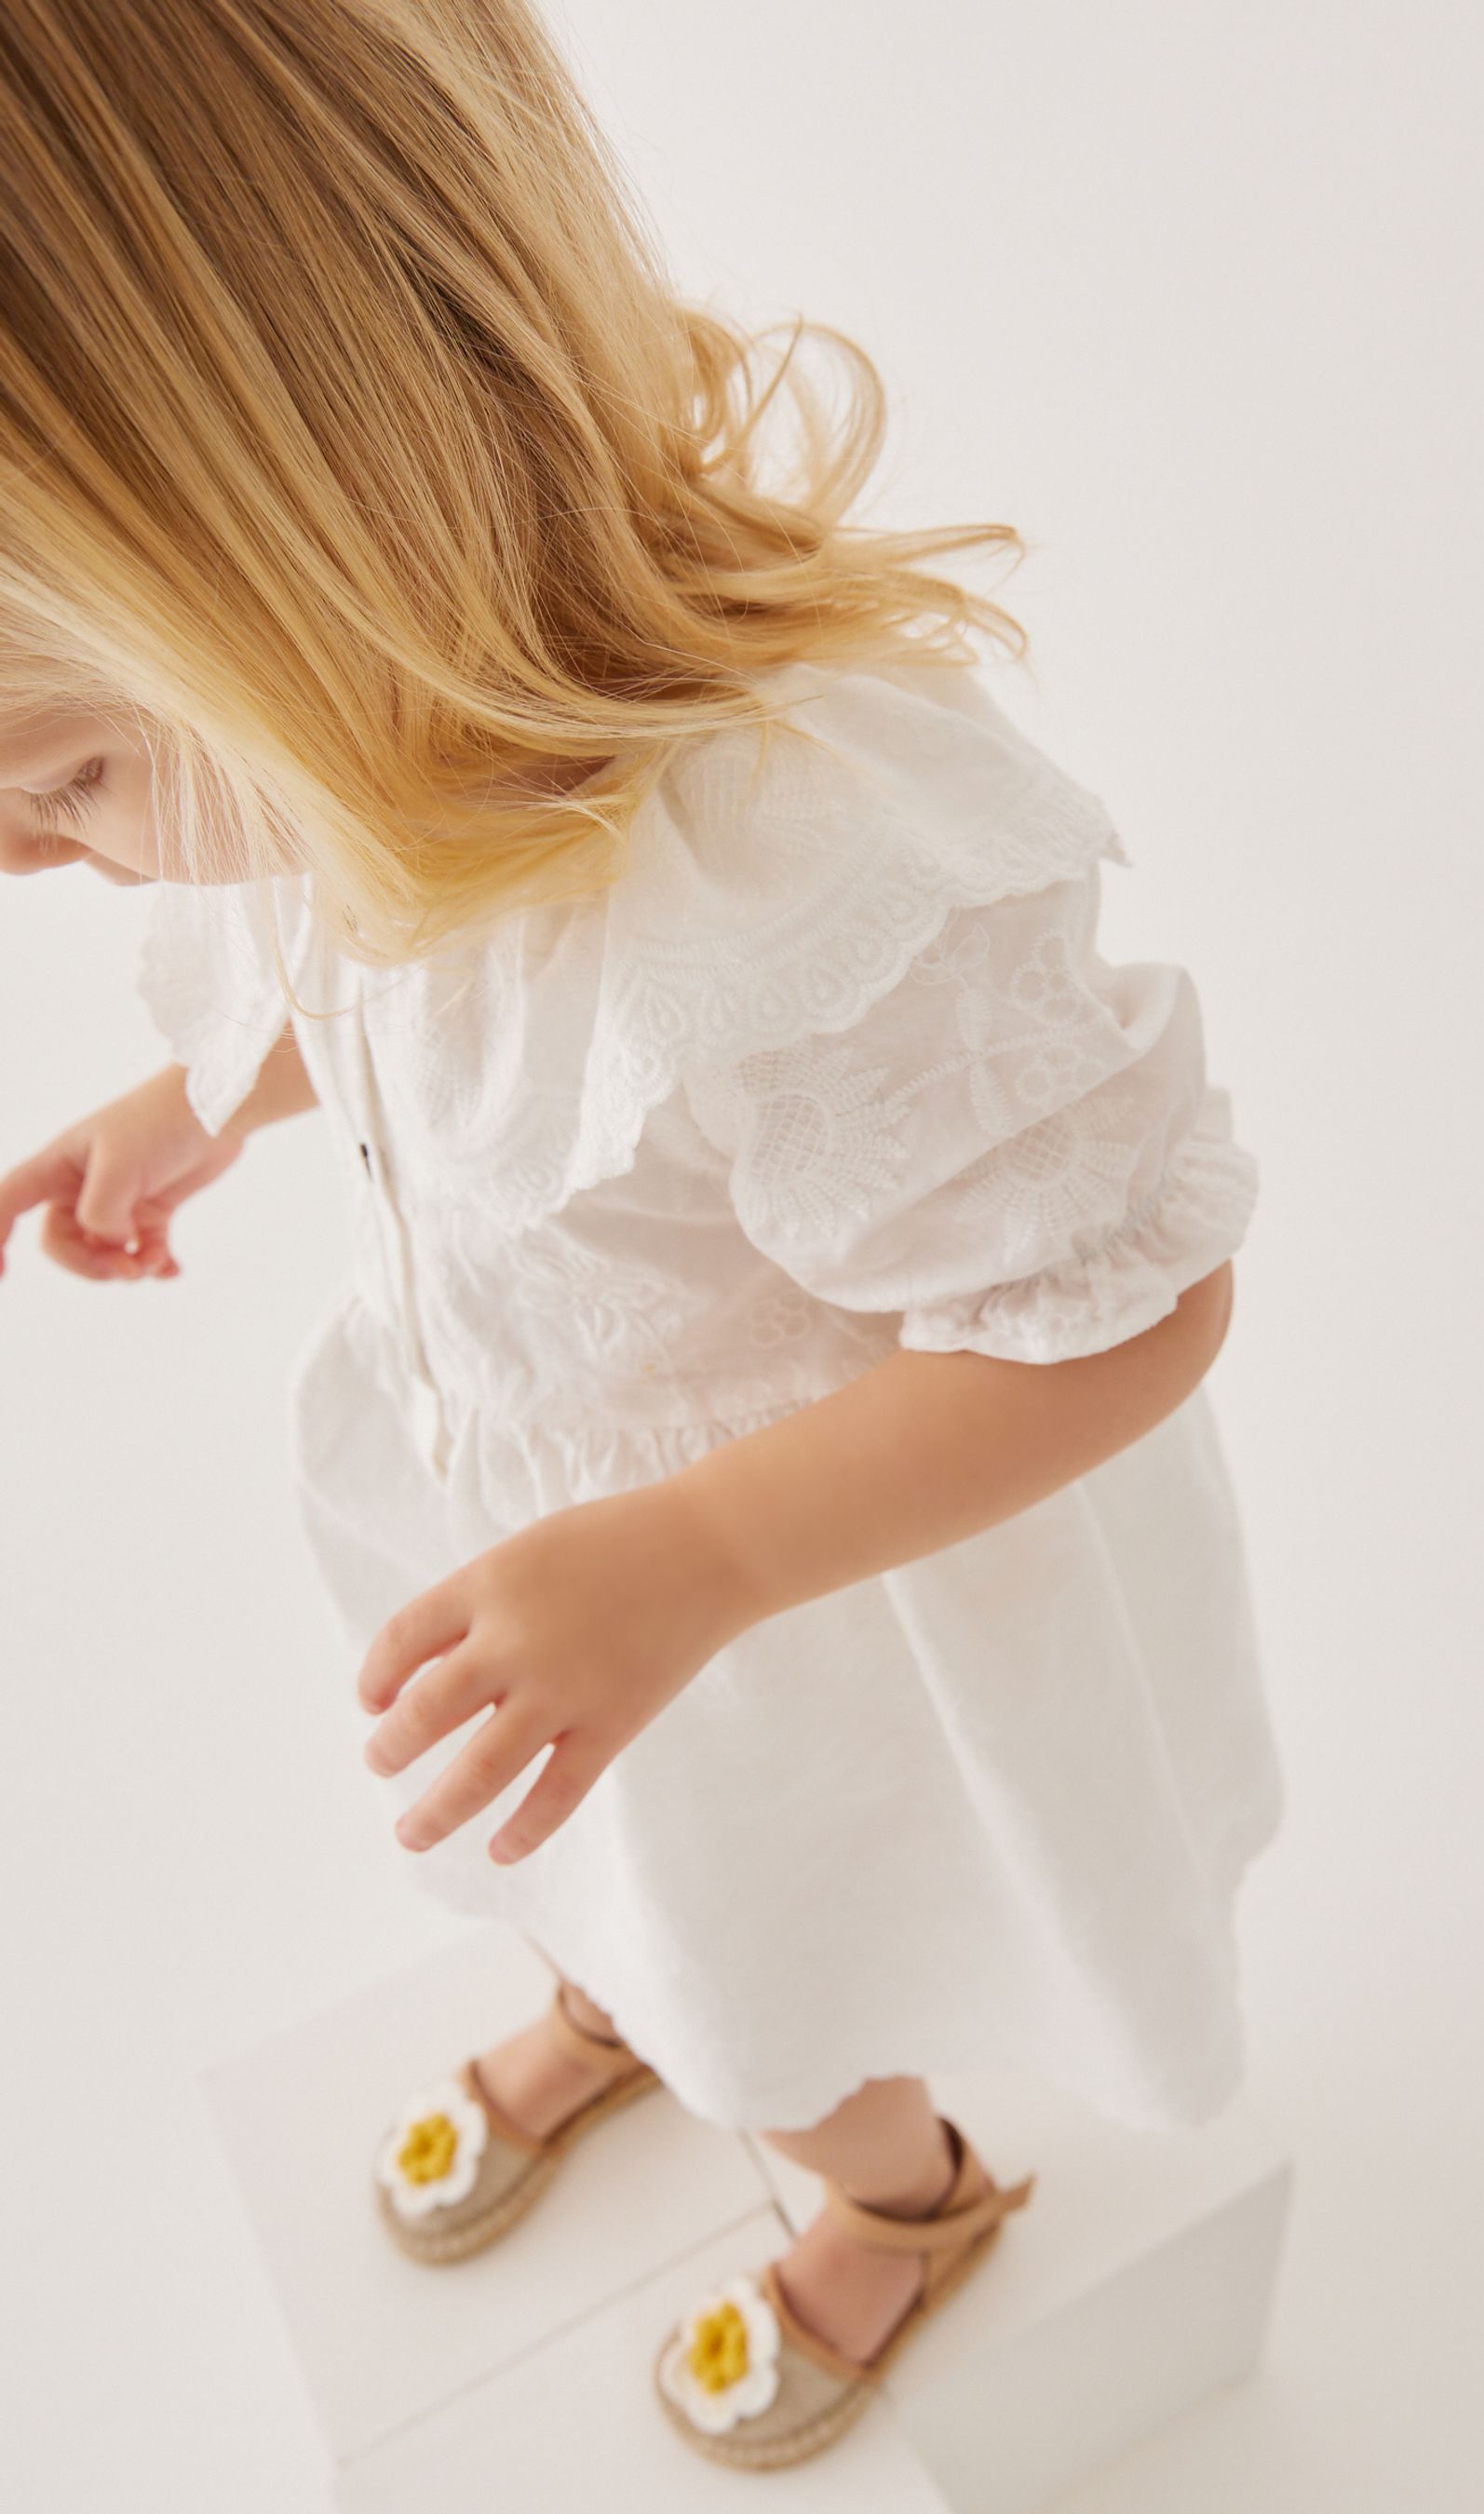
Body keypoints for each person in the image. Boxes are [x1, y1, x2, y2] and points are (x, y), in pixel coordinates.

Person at [0, 3, 1283, 2471]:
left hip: (802, 1609)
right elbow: (359, 968)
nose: (30, 864)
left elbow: (1126, 1300)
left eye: (61, 780)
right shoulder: (360, 767)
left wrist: (690, 1561)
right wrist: (202, 1097)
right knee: (613, 1872)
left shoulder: (809, 886)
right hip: (565, 1567)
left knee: (790, 1931)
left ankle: (898, 2188)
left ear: (331, 546)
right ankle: (630, 2001)